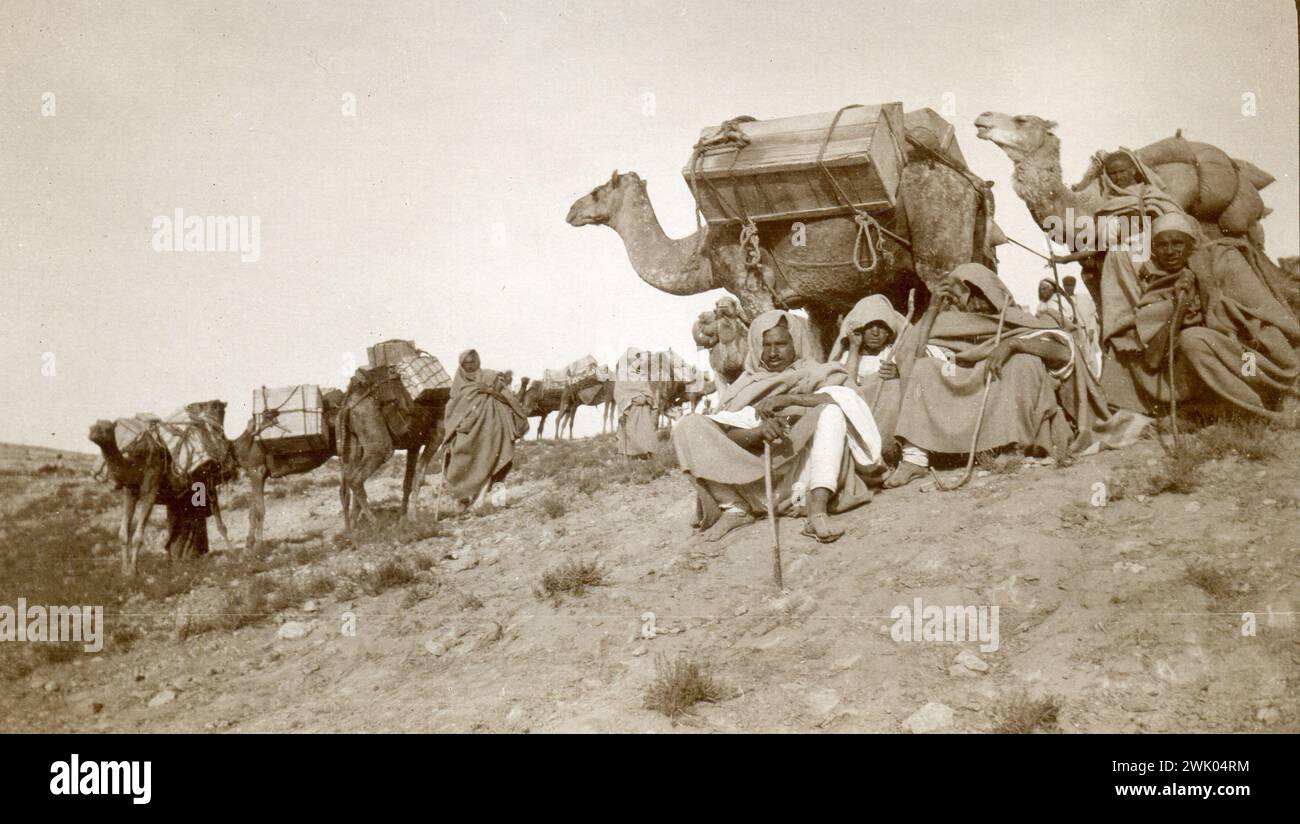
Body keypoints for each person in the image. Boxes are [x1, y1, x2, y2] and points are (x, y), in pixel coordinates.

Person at [885, 263, 1149, 488]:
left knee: (1023, 362)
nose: (975, 302)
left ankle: (1012, 446)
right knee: (926, 368)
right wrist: (932, 310)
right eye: (967, 296)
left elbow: (1063, 351)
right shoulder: (950, 324)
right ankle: (915, 458)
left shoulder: (1018, 320)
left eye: (980, 293)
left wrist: (1014, 344)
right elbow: (915, 358)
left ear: (993, 291)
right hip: (968, 387)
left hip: (1015, 397)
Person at [672, 311, 883, 543]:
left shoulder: (818, 372)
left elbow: (849, 400)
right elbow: (725, 433)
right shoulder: (744, 385)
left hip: (804, 480)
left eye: (781, 344)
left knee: (832, 411)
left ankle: (817, 511)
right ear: (755, 345)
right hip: (754, 485)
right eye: (766, 345)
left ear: (796, 342)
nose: (772, 353)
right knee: (687, 425)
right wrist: (758, 432)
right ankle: (734, 508)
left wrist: (792, 400)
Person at [1099, 212, 1300, 419]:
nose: (1170, 251)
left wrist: (1207, 294)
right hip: (1221, 361)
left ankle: (1260, 405)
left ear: (1191, 244)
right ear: (1154, 251)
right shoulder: (1162, 286)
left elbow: (1260, 316)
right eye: (1162, 245)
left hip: (1255, 356)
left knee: (1195, 340)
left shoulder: (1221, 261)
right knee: (1192, 341)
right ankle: (1243, 410)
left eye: (1178, 243)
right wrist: (1181, 305)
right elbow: (1152, 359)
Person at [440, 349, 529, 509]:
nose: (470, 366)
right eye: (466, 363)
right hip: (468, 429)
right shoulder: (458, 383)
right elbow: (452, 408)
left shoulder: (490, 377)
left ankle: (494, 501)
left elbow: (508, 397)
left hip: (493, 426)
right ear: (461, 365)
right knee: (460, 459)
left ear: (478, 362)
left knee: (495, 460)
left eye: (473, 362)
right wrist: (451, 430)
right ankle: (464, 499)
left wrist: (494, 394)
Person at [614, 348, 659, 459]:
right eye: (634, 359)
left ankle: (646, 456)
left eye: (638, 359)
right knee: (630, 435)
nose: (637, 362)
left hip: (644, 411)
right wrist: (632, 400)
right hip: (630, 411)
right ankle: (631, 456)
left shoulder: (642, 375)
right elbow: (619, 395)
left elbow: (650, 394)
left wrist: (646, 399)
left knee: (647, 435)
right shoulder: (622, 378)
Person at [1063, 274, 1102, 378]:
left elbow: (1092, 316)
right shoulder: (1062, 301)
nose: (1068, 288)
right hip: (1074, 333)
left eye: (1070, 285)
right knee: (1080, 357)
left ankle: (1095, 377)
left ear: (1074, 286)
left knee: (1092, 356)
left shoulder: (1084, 298)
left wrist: (1092, 330)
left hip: (1087, 331)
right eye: (1066, 286)